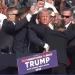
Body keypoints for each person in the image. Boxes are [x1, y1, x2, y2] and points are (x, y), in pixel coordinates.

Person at [29, 8, 75, 74]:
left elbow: (31, 25)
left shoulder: (46, 32)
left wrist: (33, 15)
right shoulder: (66, 35)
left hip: (48, 62)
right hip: (60, 63)